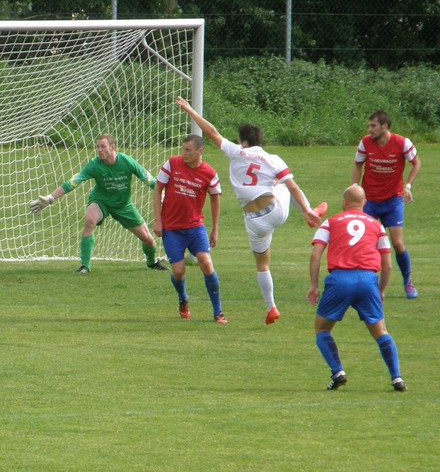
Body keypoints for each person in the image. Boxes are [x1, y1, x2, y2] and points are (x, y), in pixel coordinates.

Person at [175, 96, 325, 324]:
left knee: (262, 265)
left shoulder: (236, 152)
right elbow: (293, 186)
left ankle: (271, 307)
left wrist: (190, 110)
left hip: (254, 221)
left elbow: (211, 131)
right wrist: (305, 209)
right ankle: (310, 213)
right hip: (275, 212)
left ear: (243, 142)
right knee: (283, 183)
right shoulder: (273, 159)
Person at [307, 185, 406, 392]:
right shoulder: (377, 225)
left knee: (322, 329)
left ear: (344, 203)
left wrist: (314, 285)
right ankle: (397, 377)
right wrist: (380, 290)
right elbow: (387, 265)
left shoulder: (331, 222)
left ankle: (338, 372)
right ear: (364, 203)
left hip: (339, 280)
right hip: (367, 280)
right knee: (380, 331)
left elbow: (316, 254)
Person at [29, 133, 168, 274]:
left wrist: (164, 195)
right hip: (101, 201)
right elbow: (72, 182)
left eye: (103, 146)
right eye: (97, 147)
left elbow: (150, 180)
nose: (99, 150)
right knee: (90, 220)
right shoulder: (94, 165)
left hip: (123, 205)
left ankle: (152, 262)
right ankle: (85, 266)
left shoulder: (127, 162)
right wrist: (50, 198)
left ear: (112, 147)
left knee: (148, 240)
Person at [152, 134, 227, 323]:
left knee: (206, 263)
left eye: (188, 150)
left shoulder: (209, 173)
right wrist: (158, 220)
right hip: (171, 228)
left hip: (195, 227)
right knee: (178, 271)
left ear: (200, 151)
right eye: (183, 149)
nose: (184, 153)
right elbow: (158, 189)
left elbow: (215, 199)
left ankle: (218, 312)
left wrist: (215, 229)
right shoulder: (172, 164)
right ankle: (183, 298)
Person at [352, 110, 421, 298]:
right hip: (369, 200)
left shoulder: (402, 143)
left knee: (397, 243)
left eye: (373, 126)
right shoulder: (365, 143)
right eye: (369, 126)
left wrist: (408, 186)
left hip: (393, 200)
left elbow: (416, 163)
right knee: (366, 243)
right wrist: (354, 188)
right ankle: (366, 284)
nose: (369, 129)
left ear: (384, 126)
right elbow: (358, 164)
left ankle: (408, 281)